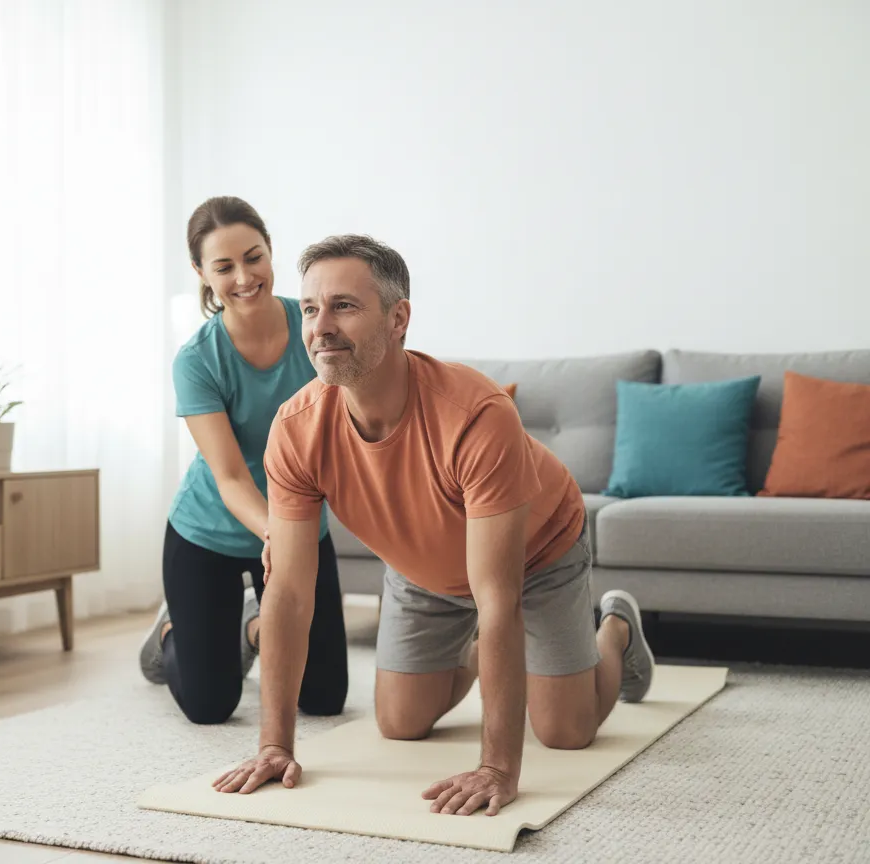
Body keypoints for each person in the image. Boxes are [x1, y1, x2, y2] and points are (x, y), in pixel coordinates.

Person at [212, 234, 655, 816]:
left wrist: (497, 766)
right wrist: (274, 745)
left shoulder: (475, 415)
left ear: (399, 319)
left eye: (344, 306)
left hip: (535, 556)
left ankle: (615, 630)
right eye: (311, 309)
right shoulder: (295, 429)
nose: (321, 327)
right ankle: (493, 654)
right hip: (423, 569)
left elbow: (499, 599)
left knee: (564, 731)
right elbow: (290, 592)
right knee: (399, 722)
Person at [138, 197, 349, 726]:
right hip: (208, 531)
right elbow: (229, 475)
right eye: (224, 266)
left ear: (271, 251)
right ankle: (170, 632)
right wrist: (280, 535)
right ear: (201, 273)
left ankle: (254, 628)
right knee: (211, 706)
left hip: (298, 525)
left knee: (323, 698)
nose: (244, 277)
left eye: (253, 257)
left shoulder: (315, 332)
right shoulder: (196, 360)